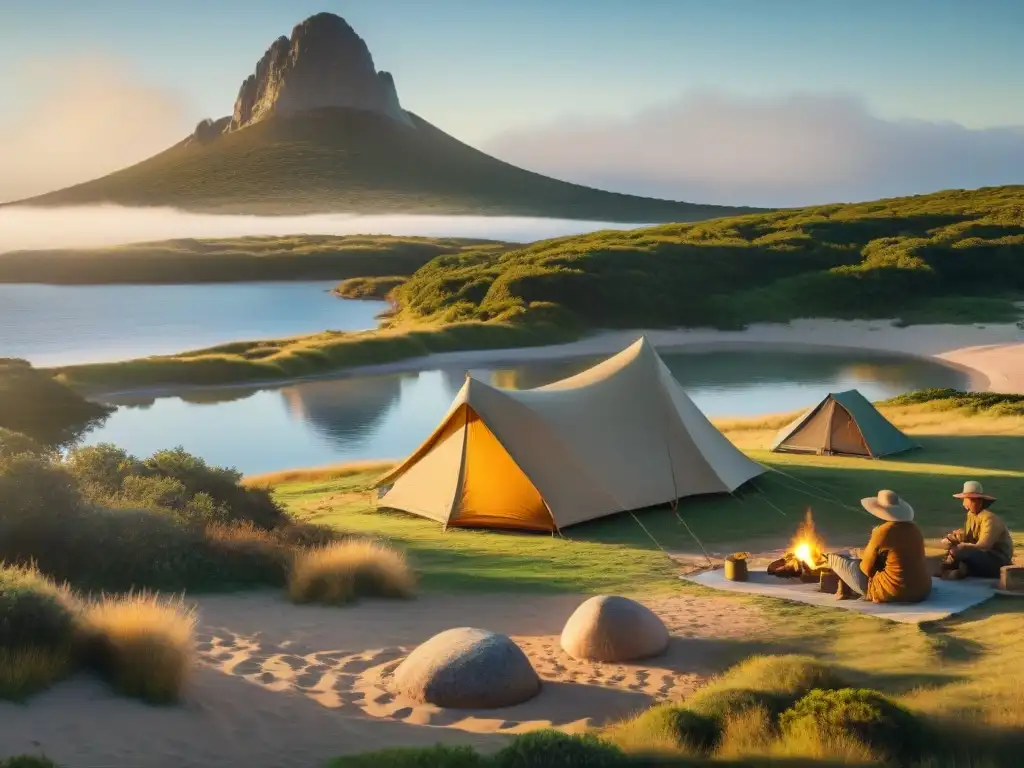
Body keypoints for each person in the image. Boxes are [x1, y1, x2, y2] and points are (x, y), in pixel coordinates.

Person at [825, 490, 932, 603]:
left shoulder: (883, 531)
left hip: (893, 592)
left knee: (834, 559)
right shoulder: (914, 528)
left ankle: (842, 591)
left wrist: (870, 542)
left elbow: (866, 570)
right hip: (922, 590)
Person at [939, 481, 1013, 579]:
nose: (965, 504)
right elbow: (968, 536)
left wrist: (963, 546)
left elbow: (984, 545)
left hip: (997, 560)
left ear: (979, 501)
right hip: (982, 555)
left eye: (968, 500)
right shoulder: (971, 516)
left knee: (962, 552)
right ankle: (953, 571)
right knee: (955, 549)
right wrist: (953, 538)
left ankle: (960, 571)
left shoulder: (989, 518)